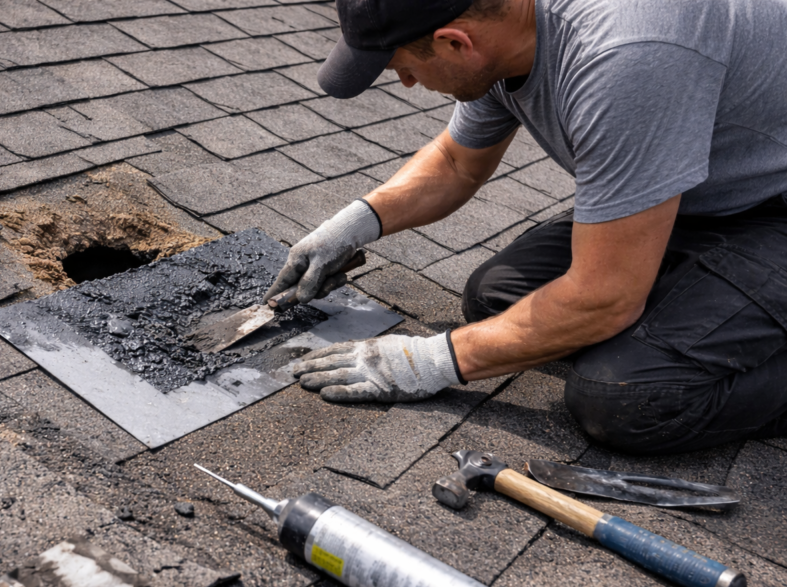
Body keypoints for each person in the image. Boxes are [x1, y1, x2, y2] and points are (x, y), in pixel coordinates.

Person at [266, 0, 787, 455]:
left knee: (624, 397)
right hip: (695, 197)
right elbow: (454, 163)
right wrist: (356, 224)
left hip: (772, 208)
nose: (405, 82)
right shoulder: (504, 38)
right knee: (495, 300)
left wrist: (429, 362)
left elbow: (604, 297)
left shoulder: (626, 56)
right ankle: (701, 304)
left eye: (403, 67)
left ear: (455, 42)